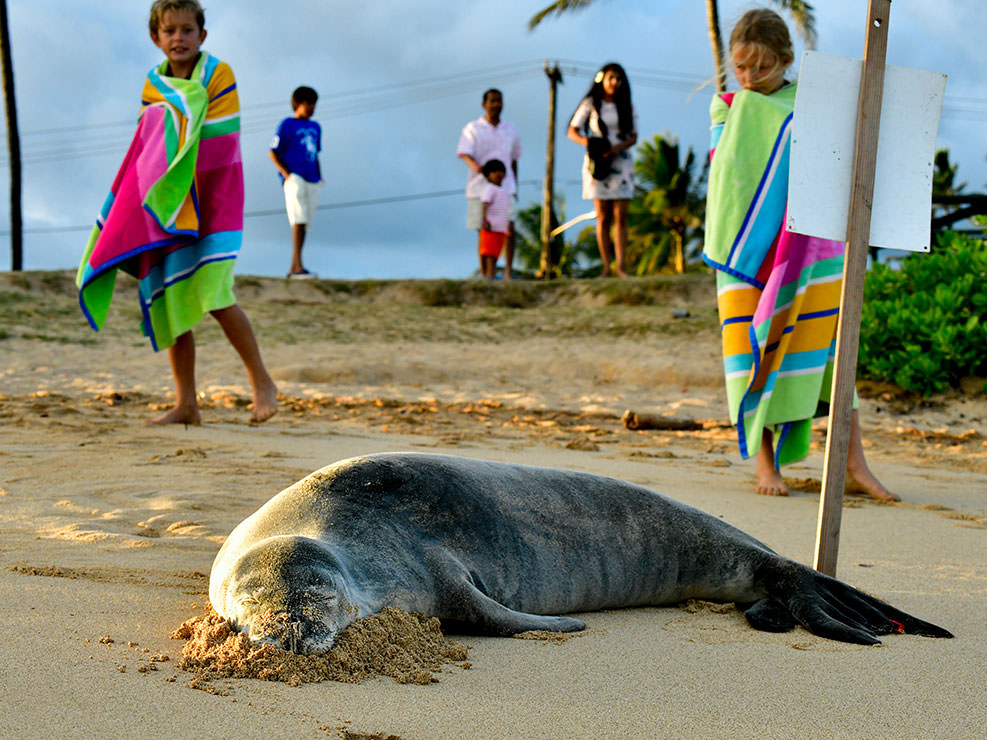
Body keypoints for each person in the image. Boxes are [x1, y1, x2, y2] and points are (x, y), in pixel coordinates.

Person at [703, 8, 896, 501]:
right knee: (753, 354)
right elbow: (729, 175)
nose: (748, 77)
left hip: (808, 246)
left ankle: (854, 462)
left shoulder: (813, 103)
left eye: (760, 66)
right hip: (743, 246)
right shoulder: (726, 105)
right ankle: (766, 464)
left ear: (786, 60)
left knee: (832, 355)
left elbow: (838, 155)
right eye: (740, 66)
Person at [77, 0, 278, 426]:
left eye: (187, 30)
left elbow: (222, 138)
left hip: (215, 196)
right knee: (170, 296)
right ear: (156, 38)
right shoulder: (154, 84)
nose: (178, 38)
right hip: (167, 204)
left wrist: (181, 140)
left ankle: (262, 382)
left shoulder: (218, 75)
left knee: (216, 295)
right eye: (169, 31)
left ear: (201, 36)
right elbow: (148, 147)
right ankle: (187, 402)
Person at [567, 63, 638, 277]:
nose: (615, 82)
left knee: (620, 216)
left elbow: (634, 136)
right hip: (598, 163)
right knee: (602, 216)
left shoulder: (627, 105)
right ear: (602, 79)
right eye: (611, 78)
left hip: (621, 160)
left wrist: (617, 148)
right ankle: (606, 266)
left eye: (618, 78)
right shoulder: (591, 103)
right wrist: (591, 145)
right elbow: (572, 130)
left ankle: (621, 266)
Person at [457, 89, 522, 280]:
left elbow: (515, 158)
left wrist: (515, 185)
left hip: (506, 187)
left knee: (509, 228)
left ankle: (508, 271)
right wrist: (478, 169)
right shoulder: (473, 128)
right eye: (492, 101)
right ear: (484, 104)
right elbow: (465, 153)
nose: (496, 105)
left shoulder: (511, 129)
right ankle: (487, 274)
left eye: (499, 101)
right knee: (484, 230)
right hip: (479, 187)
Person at [269, 86, 322, 278]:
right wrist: (286, 174)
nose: (312, 107)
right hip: (295, 176)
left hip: (312, 178)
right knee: (298, 219)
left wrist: (320, 175)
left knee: (305, 221)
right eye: (308, 103)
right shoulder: (287, 125)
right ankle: (298, 266)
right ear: (298, 104)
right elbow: (273, 151)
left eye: (314, 104)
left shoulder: (316, 127)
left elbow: (315, 153)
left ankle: (295, 268)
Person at [478, 159, 510, 280]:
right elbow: (485, 204)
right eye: (495, 171)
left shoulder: (504, 192)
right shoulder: (489, 189)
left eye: (501, 171)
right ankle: (488, 276)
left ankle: (491, 274)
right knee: (489, 253)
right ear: (488, 174)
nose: (498, 173)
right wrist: (484, 220)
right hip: (491, 226)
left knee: (496, 254)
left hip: (501, 229)